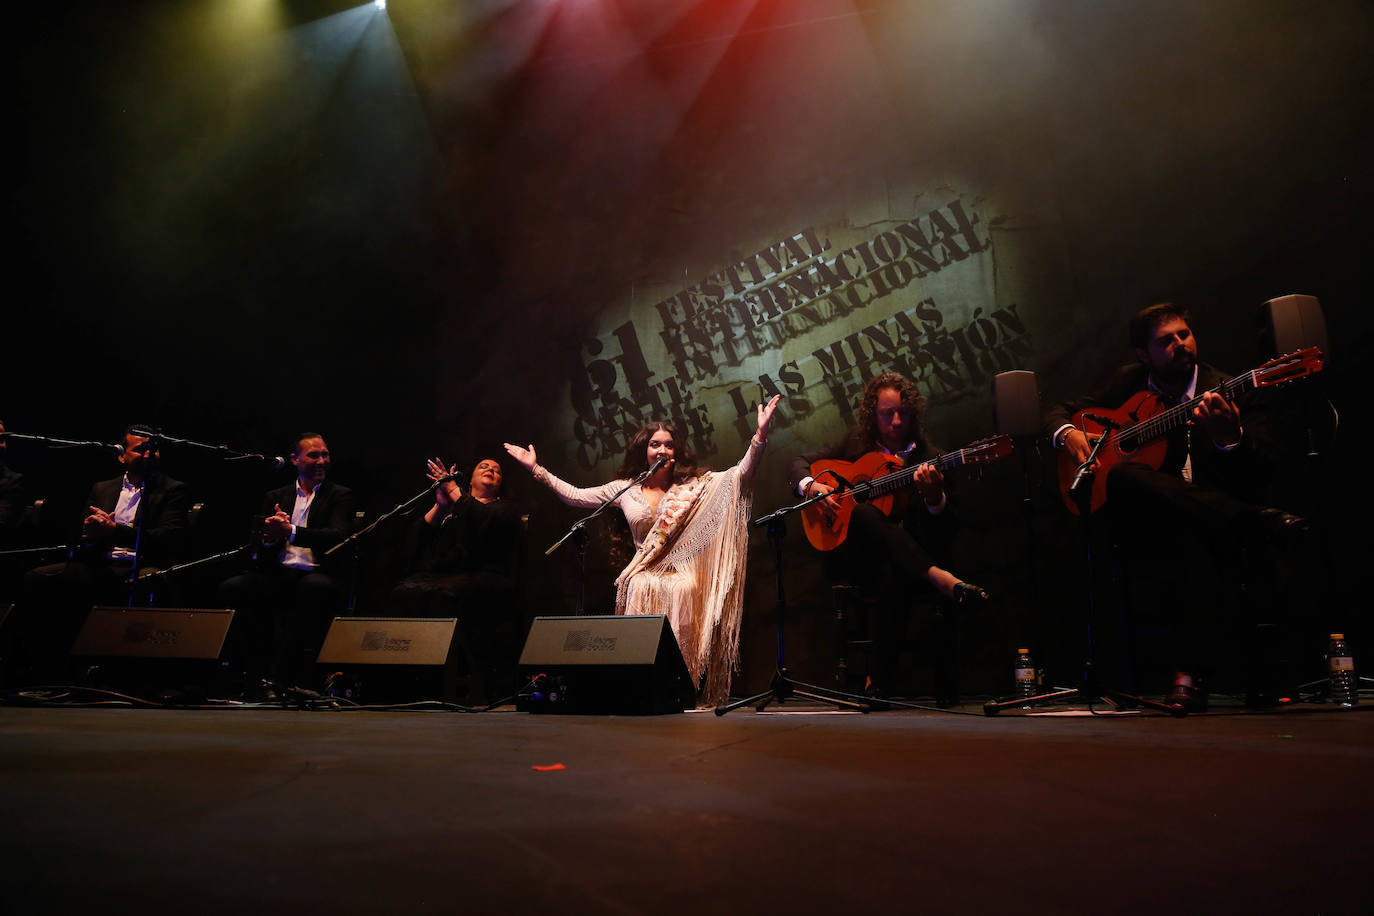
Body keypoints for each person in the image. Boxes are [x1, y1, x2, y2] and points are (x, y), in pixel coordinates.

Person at [1046, 302, 1298, 711]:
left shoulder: (1232, 387)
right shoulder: (1130, 382)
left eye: (1184, 334)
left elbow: (1264, 465)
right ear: (1144, 355)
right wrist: (1068, 432)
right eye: (1167, 341)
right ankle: (1257, 524)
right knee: (1124, 476)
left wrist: (1228, 437)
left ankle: (1189, 672)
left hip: (1210, 516)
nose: (1181, 344)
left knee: (1186, 533)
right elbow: (1057, 409)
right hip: (1148, 524)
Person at [505, 396, 781, 706]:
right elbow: (575, 496)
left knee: (683, 587)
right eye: (655, 444)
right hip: (645, 568)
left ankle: (679, 685)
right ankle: (638, 682)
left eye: (668, 445)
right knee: (638, 583)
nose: (662, 450)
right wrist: (536, 469)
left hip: (681, 571)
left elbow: (739, 475)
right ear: (645, 451)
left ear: (676, 453)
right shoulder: (625, 489)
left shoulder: (695, 486)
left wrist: (760, 437)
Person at [787, 372, 987, 699]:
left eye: (903, 413)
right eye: (886, 413)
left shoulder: (929, 457)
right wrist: (812, 486)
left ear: (913, 413)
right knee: (865, 512)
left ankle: (876, 682)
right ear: (872, 413)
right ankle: (942, 580)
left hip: (906, 563)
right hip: (857, 560)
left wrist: (934, 497)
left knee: (894, 569)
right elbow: (798, 463)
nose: (895, 421)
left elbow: (948, 528)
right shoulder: (854, 445)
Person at [16, 425, 188, 679]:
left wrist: (114, 530)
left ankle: (136, 674)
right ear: (121, 456)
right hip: (99, 562)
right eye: (141, 449)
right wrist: (89, 532)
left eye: (155, 449)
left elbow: (168, 537)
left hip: (140, 564)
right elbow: (81, 532)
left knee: (150, 581)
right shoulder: (103, 488)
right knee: (38, 578)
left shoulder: (173, 489)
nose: (150, 455)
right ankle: (40, 670)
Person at [218, 432, 355, 693]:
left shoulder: (340, 495)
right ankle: (244, 671)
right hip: (279, 572)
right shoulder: (276, 496)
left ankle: (282, 676)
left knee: (310, 589)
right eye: (314, 455)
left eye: (325, 455)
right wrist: (269, 537)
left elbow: (338, 535)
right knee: (232, 588)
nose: (322, 461)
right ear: (294, 459)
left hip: (317, 572)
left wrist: (290, 531)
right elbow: (258, 543)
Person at [388, 457, 525, 702]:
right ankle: (404, 679)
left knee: (444, 597)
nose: (491, 471)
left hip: (486, 577)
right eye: (484, 467)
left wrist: (453, 491)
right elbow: (416, 540)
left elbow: (483, 522)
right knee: (403, 592)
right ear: (470, 478)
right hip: (446, 576)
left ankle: (447, 681)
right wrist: (441, 505)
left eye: (497, 471)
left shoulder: (504, 509)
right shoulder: (454, 509)